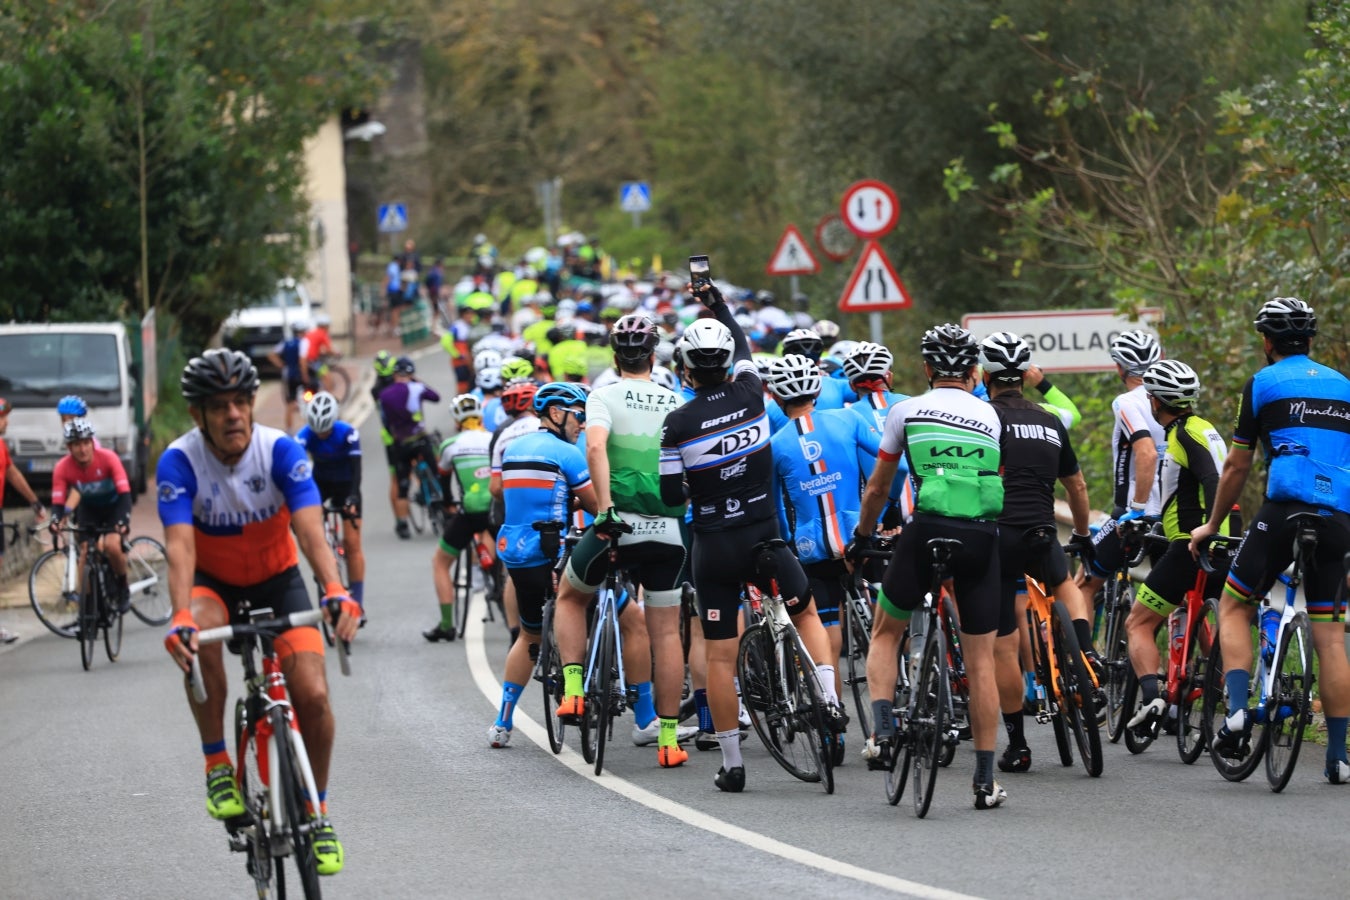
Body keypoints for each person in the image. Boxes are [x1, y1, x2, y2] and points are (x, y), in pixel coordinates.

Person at [159, 349, 360, 876]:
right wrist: (179, 615)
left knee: (313, 696)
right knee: (197, 635)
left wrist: (335, 588)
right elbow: (179, 545)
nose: (233, 415)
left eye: (241, 402)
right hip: (214, 584)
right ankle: (217, 764)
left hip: (278, 580)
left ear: (252, 404)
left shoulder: (281, 451)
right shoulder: (179, 462)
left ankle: (317, 812)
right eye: (218, 406)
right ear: (197, 415)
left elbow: (311, 530)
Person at [659, 285, 840, 793]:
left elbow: (671, 497)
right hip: (764, 535)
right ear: (726, 364)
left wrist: (700, 482)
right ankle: (828, 699)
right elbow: (741, 341)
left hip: (714, 546)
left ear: (686, 370)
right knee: (805, 612)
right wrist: (717, 304)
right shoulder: (750, 390)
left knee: (721, 656)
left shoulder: (676, 424)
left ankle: (733, 764)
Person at [1188, 297, 1350, 782]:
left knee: (1235, 603)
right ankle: (1338, 758)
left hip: (1284, 511)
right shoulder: (1344, 387)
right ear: (1311, 340)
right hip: (1338, 517)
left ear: (1266, 341)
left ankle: (1238, 710)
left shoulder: (1262, 383)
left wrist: (1212, 524)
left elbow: (1237, 465)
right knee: (1331, 638)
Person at [848, 324, 1007, 809]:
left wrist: (863, 536)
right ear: (974, 371)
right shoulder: (991, 415)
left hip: (925, 531)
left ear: (927, 369)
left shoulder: (905, 410)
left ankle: (884, 732)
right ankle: (985, 781)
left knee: (885, 632)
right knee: (981, 663)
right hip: (980, 536)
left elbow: (879, 487)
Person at [553, 314, 697, 767]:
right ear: (654, 357)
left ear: (616, 358)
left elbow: (595, 448)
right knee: (666, 633)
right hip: (669, 529)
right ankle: (668, 742)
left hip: (617, 525)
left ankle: (573, 690)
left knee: (570, 597)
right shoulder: (677, 401)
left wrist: (605, 508)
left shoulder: (603, 395)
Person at [976, 332, 1092, 775]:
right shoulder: (1050, 419)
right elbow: (1076, 485)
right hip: (1043, 531)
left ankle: (1019, 745)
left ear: (985, 376)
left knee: (1003, 647)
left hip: (998, 536)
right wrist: (1081, 533)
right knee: (1064, 582)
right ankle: (1086, 656)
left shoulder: (982, 418)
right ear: (1025, 376)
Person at [766, 353, 881, 752]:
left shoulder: (775, 445)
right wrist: (880, 511)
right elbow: (893, 463)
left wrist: (787, 546)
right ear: (817, 390)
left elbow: (776, 511)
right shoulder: (848, 419)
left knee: (823, 624)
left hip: (812, 547)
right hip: (858, 537)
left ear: (776, 398)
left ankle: (832, 718)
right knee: (883, 627)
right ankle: (892, 707)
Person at [1123, 360, 1236, 740]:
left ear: (1155, 401)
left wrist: (1206, 530)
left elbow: (1213, 480)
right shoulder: (1206, 429)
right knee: (1212, 623)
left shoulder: (1184, 435)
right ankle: (1225, 697)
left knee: (1138, 623)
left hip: (1191, 545)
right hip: (1223, 546)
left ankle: (1152, 697)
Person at [490, 383, 596, 748]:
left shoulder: (513, 449)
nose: (582, 424)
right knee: (611, 610)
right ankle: (583, 693)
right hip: (554, 553)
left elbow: (531, 498)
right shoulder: (567, 454)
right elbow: (596, 505)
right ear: (555, 413)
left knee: (529, 635)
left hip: (517, 555)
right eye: (579, 415)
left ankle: (502, 722)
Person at [1076, 330, 1165, 637]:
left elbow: (1146, 453)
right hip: (1173, 514)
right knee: (1180, 598)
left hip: (1134, 514)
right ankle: (1210, 665)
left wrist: (1136, 508)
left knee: (1084, 583)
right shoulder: (1172, 399)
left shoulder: (1126, 402)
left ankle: (1083, 660)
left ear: (1119, 368)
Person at [425, 394, 494, 642]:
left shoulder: (450, 445)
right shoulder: (494, 439)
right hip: (497, 509)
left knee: (440, 563)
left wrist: (447, 505)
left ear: (456, 419)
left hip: (470, 511)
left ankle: (446, 625)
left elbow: (444, 479)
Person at [49, 418, 133, 610]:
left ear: (92, 443)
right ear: (69, 447)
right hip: (89, 508)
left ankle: (122, 586)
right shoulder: (63, 468)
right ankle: (87, 607)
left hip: (114, 506)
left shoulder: (108, 458)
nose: (83, 449)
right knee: (86, 552)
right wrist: (55, 520)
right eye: (77, 445)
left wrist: (123, 521)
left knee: (111, 545)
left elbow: (125, 494)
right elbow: (58, 502)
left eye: (86, 443)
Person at [295, 392, 366, 613]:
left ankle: (358, 603)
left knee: (352, 544)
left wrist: (353, 497)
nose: (322, 434)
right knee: (308, 528)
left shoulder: (348, 433)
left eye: (325, 430)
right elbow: (296, 467)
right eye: (318, 431)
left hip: (347, 485)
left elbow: (356, 470)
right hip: (321, 484)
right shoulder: (303, 436)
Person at [377, 357, 441, 539]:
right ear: (412, 373)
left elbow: (385, 421)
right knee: (437, 473)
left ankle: (403, 524)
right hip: (421, 439)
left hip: (401, 443)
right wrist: (418, 382)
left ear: (395, 374)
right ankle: (444, 507)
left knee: (402, 485)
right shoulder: (417, 387)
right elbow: (436, 397)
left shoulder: (384, 395)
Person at [0, 397, 46, 642]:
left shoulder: (1, 446)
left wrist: (34, 501)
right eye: (2, 417)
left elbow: (12, 473)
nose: (6, 422)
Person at [267, 320, 311, 435]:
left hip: (288, 375)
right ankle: (309, 426)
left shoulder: (286, 342)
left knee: (290, 403)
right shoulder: (303, 342)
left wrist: (282, 365)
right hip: (299, 375)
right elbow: (302, 360)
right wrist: (305, 375)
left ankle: (289, 429)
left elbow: (271, 354)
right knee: (307, 399)